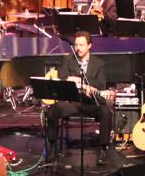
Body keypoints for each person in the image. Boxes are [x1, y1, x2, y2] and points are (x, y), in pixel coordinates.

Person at [46, 31, 113, 165]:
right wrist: (80, 84)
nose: (78, 48)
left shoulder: (99, 63)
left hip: (91, 103)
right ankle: (53, 148)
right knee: (53, 110)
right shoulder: (68, 60)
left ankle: (102, 149)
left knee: (105, 112)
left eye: (82, 45)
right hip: (73, 102)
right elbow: (64, 78)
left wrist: (80, 80)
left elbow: (100, 84)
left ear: (89, 45)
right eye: (76, 45)